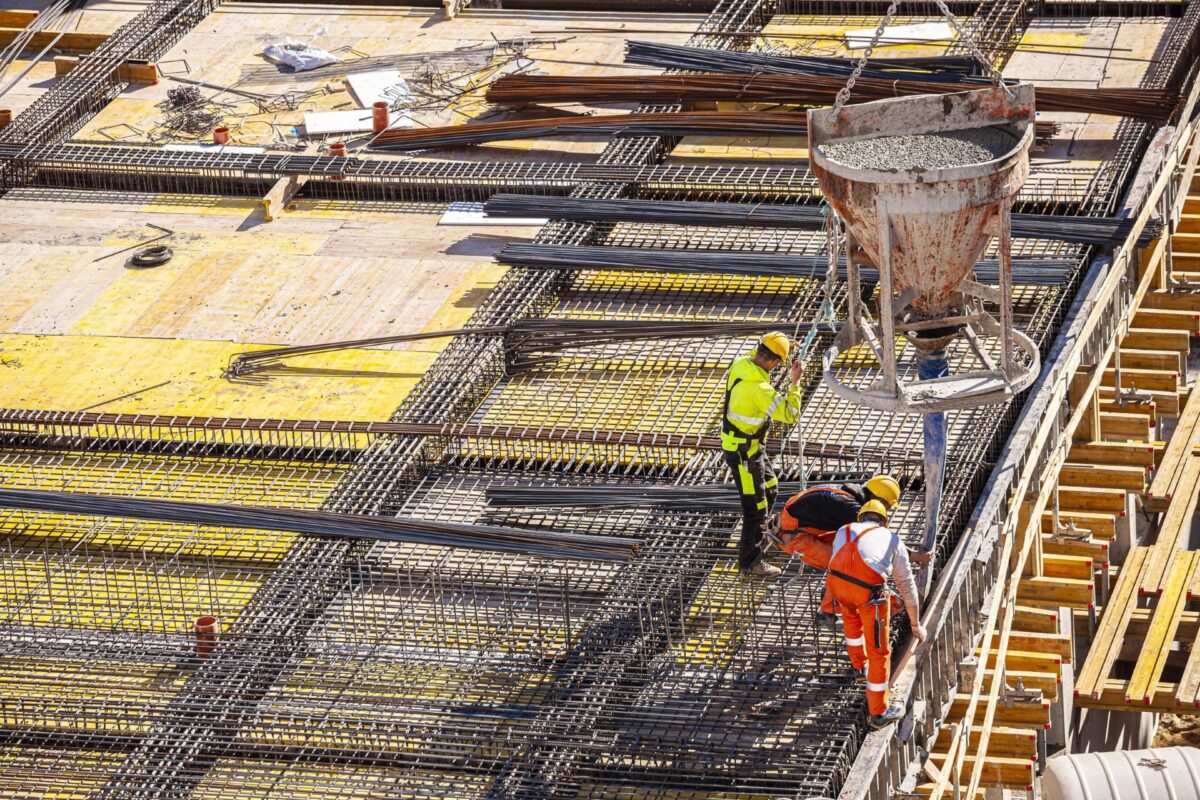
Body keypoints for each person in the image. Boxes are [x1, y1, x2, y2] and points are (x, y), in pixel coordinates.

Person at [826, 500, 928, 728]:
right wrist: (915, 624)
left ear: (861, 517)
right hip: (867, 595)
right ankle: (879, 712)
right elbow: (906, 585)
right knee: (879, 652)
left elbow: (842, 563)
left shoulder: (845, 529)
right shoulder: (892, 539)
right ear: (884, 521)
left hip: (837, 588)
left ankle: (858, 666)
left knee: (851, 621)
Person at [721, 331, 804, 578]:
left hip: (753, 448)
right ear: (774, 362)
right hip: (743, 454)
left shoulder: (742, 364)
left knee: (770, 487)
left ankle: (762, 533)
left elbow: (767, 349)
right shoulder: (759, 389)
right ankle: (751, 562)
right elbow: (789, 414)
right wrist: (795, 382)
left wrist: (785, 344)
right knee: (755, 509)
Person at [773, 475, 902, 627]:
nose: (886, 511)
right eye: (887, 506)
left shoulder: (853, 494)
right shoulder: (850, 508)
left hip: (801, 527)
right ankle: (826, 612)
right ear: (878, 499)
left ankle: (830, 593)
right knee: (843, 564)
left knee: (850, 546)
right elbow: (878, 538)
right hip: (792, 536)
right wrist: (911, 555)